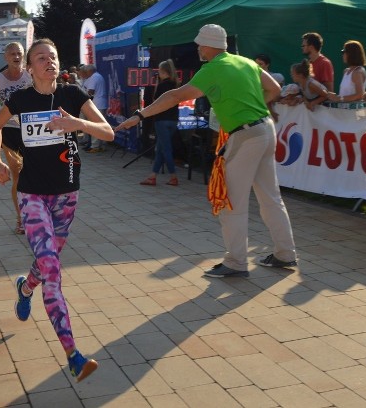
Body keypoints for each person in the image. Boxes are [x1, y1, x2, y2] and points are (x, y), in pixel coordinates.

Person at [116, 24, 297, 278]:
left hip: (245, 135)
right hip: (266, 129)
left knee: (231, 202)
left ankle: (236, 263)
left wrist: (140, 114)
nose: (198, 48)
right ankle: (285, 254)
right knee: (271, 198)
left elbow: (174, 96)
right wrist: (248, 103)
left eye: (201, 44)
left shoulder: (211, 69)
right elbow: (275, 90)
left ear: (210, 46)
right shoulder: (245, 62)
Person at [0, 38, 113, 383]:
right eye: (41, 58)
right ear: (30, 68)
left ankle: (25, 288)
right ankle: (73, 354)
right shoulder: (21, 99)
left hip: (67, 195)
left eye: (53, 57)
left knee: (47, 262)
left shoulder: (74, 95)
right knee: (53, 270)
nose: (49, 62)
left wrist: (79, 124)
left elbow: (108, 132)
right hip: (32, 195)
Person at [0, 42, 33, 234]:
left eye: (19, 53)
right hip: (9, 130)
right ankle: (21, 218)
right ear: (5, 57)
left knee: (35, 172)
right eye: (12, 53)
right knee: (18, 174)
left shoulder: (31, 74)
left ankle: (37, 211)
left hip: (31, 128)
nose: (16, 56)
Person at [139, 59, 180, 187]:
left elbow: (155, 101)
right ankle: (153, 176)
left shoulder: (162, 85)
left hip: (161, 119)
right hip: (173, 119)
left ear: (162, 71)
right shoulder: (176, 84)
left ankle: (173, 176)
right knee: (161, 148)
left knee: (165, 148)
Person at [80, 64, 108, 152]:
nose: (85, 73)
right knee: (101, 125)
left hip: (97, 104)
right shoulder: (97, 76)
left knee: (95, 125)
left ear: (89, 71)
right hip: (100, 104)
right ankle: (102, 145)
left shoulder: (94, 77)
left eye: (86, 72)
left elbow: (90, 91)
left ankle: (95, 146)